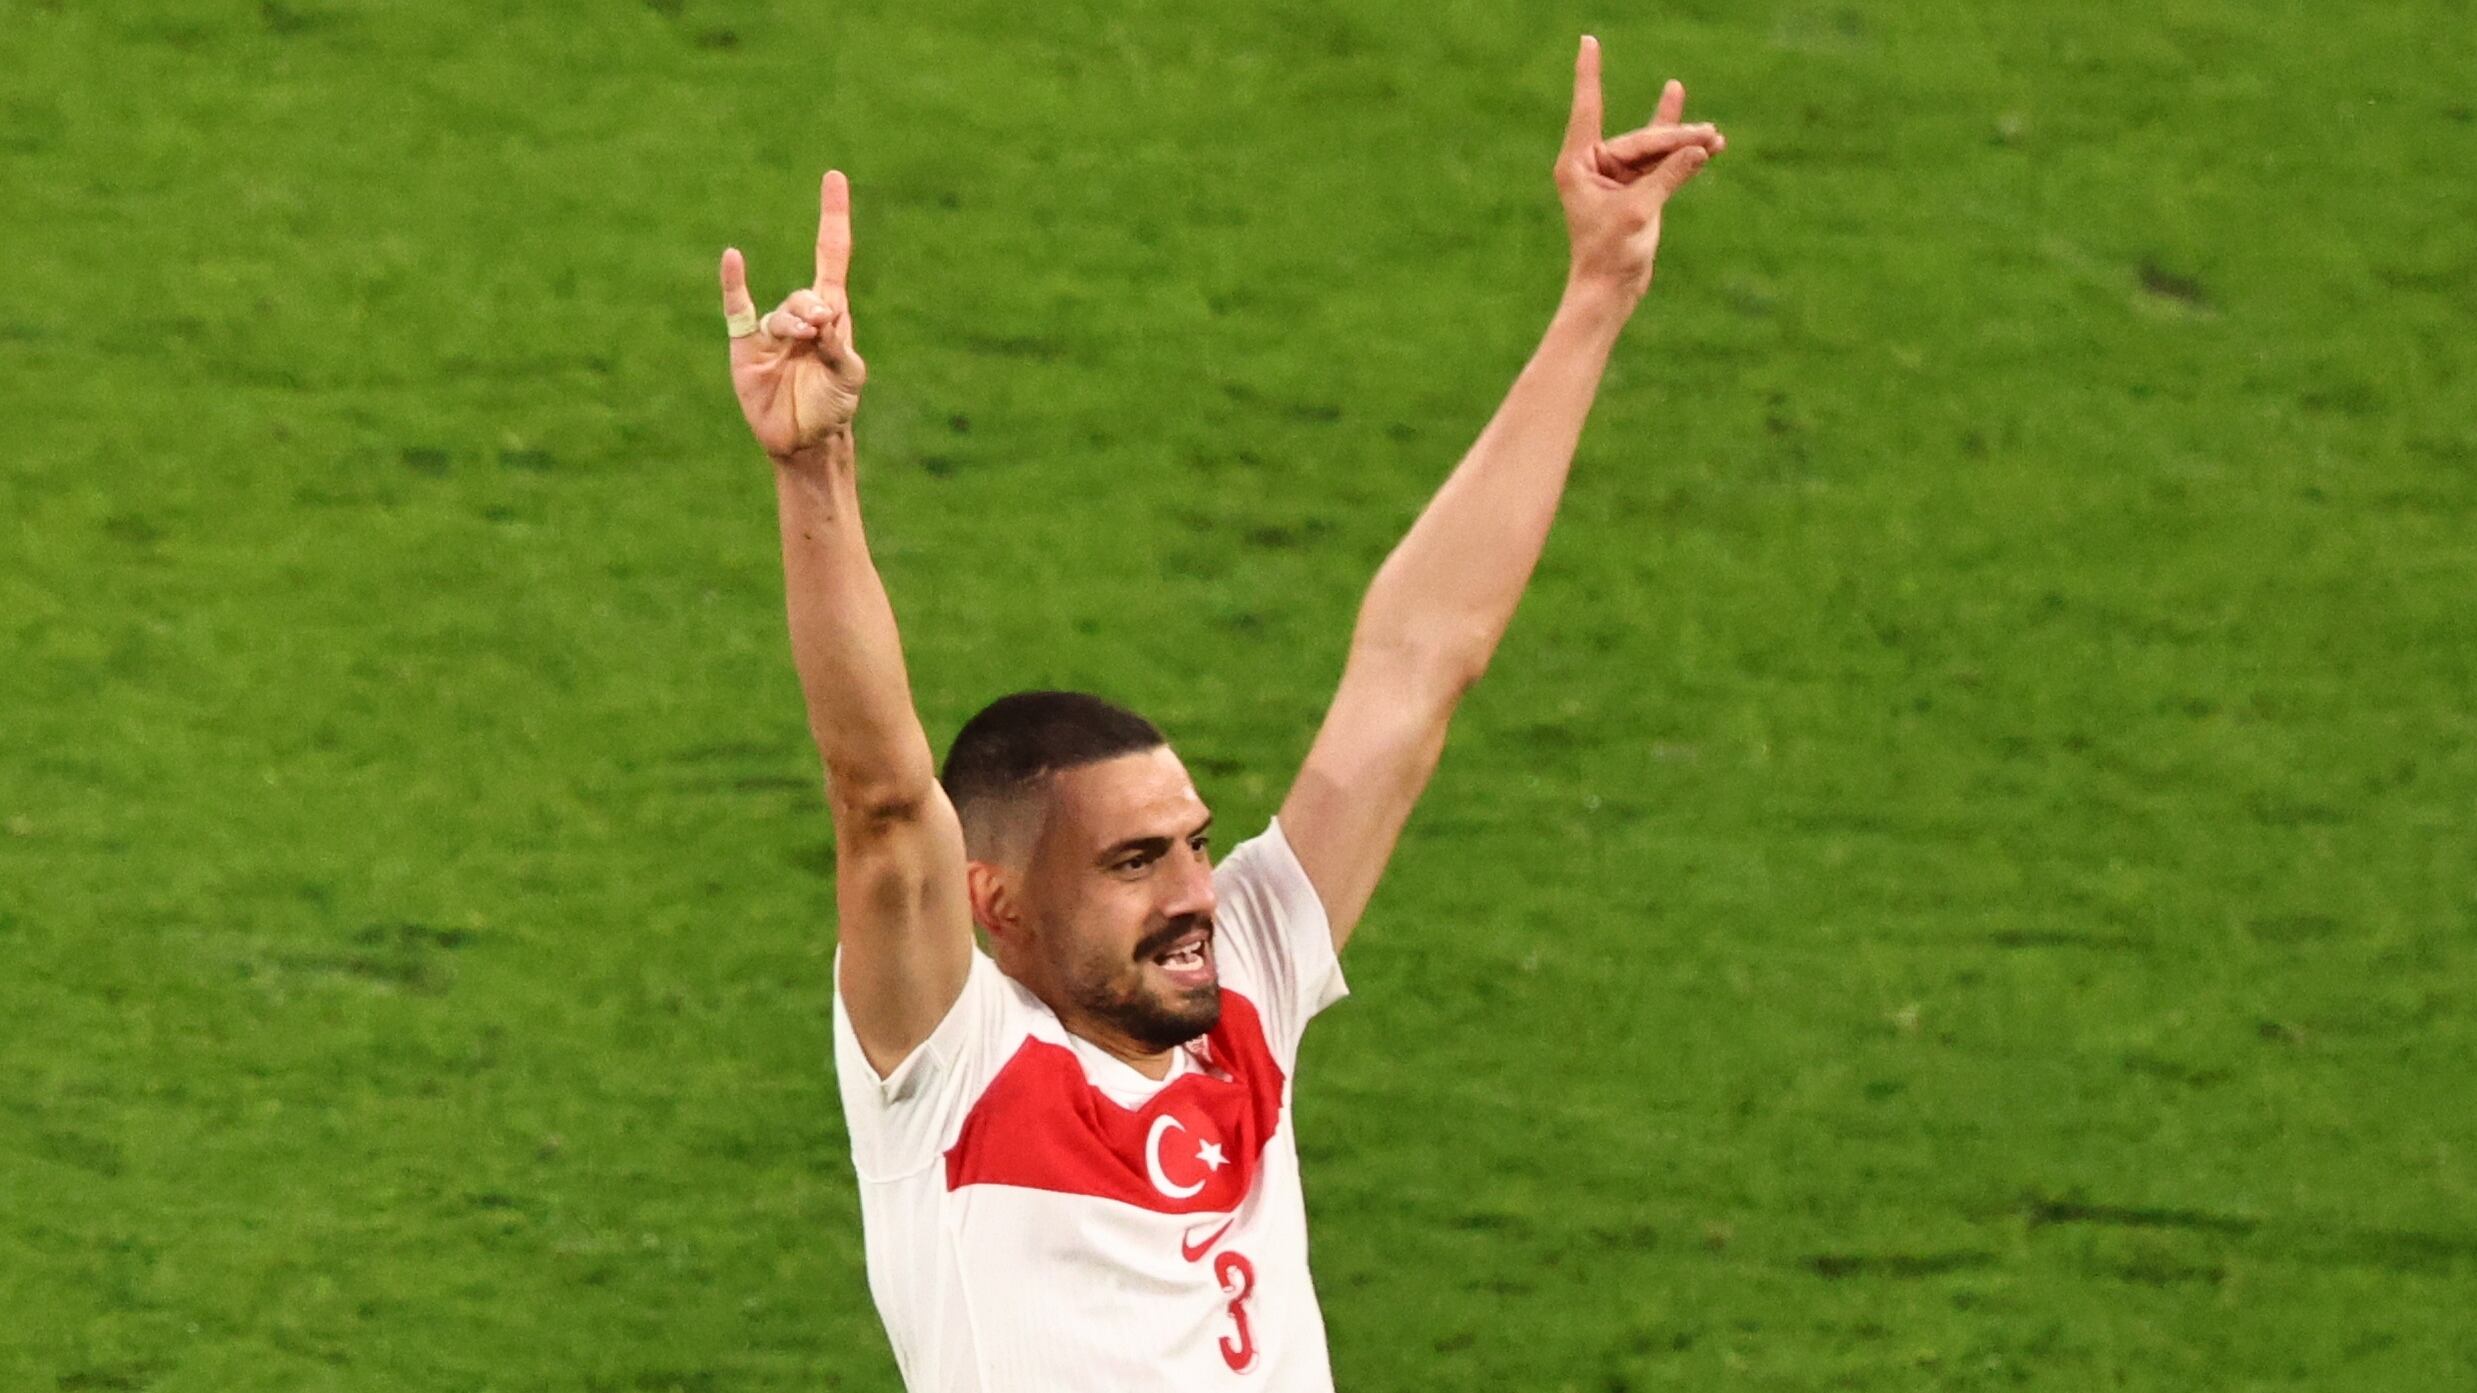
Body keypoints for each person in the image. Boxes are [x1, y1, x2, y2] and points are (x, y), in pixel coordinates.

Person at [714, 36, 1722, 1392]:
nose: (1199, 887)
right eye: (1135, 861)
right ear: (994, 902)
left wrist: (1599, 287)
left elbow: (1419, 660)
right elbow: (882, 793)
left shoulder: (1243, 975)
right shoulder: (945, 1067)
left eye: (1188, 840)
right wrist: (813, 474)